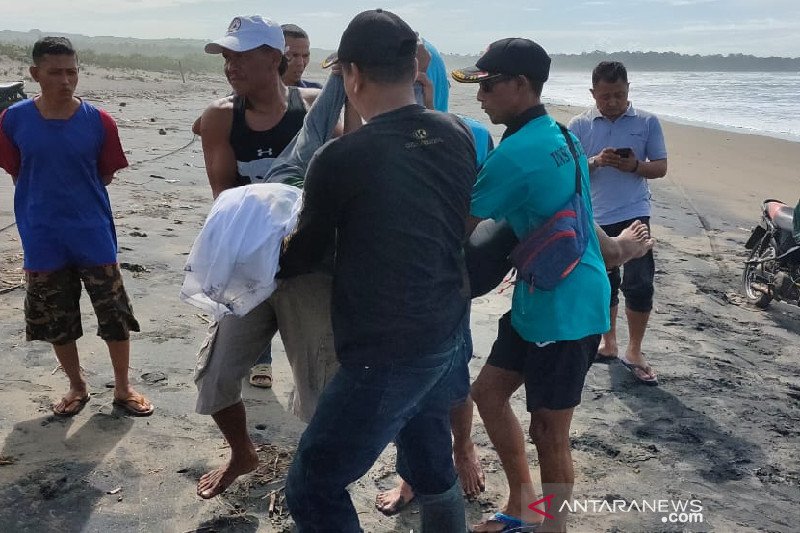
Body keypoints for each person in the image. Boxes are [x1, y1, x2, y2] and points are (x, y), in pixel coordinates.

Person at [281, 9, 476, 532]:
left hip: (387, 347)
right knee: (432, 469)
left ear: (352, 75)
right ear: (414, 68)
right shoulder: (457, 134)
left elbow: (303, 253)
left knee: (312, 482)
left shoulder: (339, 157)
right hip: (448, 327)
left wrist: (271, 246)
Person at [451, 38, 612, 532]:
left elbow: (458, 226)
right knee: (489, 395)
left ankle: (553, 526)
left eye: (488, 85)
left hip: (567, 308)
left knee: (550, 431)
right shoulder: (560, 134)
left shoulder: (516, 155)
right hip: (543, 296)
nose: (480, 97)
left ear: (520, 85)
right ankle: (523, 506)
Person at [192, 15, 339, 500]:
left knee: (320, 385)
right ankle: (242, 452)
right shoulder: (219, 117)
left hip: (308, 272)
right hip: (249, 267)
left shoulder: (315, 110)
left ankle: (315, 471)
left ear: (273, 58)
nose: (230, 65)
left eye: (240, 55)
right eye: (225, 56)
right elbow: (224, 198)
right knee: (214, 379)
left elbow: (343, 181)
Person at [0, 37, 153, 417]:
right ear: (36, 74)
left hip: (92, 231)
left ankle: (123, 387)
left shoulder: (98, 121)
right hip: (41, 233)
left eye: (72, 72)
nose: (65, 80)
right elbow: (16, 168)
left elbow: (105, 174)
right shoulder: (12, 119)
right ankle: (76, 386)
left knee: (114, 313)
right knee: (57, 317)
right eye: (55, 72)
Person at [375, 38, 490, 516]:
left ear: (438, 80)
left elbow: (488, 208)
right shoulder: (379, 133)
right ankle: (411, 476)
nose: (417, 85)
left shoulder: (471, 133)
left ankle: (463, 448)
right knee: (410, 386)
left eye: (426, 76)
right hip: (396, 283)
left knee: (453, 374)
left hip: (448, 280)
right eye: (411, 76)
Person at [568, 61, 668, 386]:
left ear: (628, 91)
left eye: (619, 95)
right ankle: (608, 343)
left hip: (635, 210)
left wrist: (634, 165)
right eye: (605, 96)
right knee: (603, 282)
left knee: (639, 281)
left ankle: (634, 349)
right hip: (595, 214)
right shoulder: (580, 125)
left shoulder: (647, 122)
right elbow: (569, 169)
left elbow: (661, 167)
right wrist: (595, 162)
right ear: (593, 93)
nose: (612, 102)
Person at [281, 23, 323, 89]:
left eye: (305, 56)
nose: (300, 63)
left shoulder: (317, 92)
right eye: (294, 55)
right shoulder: (260, 93)